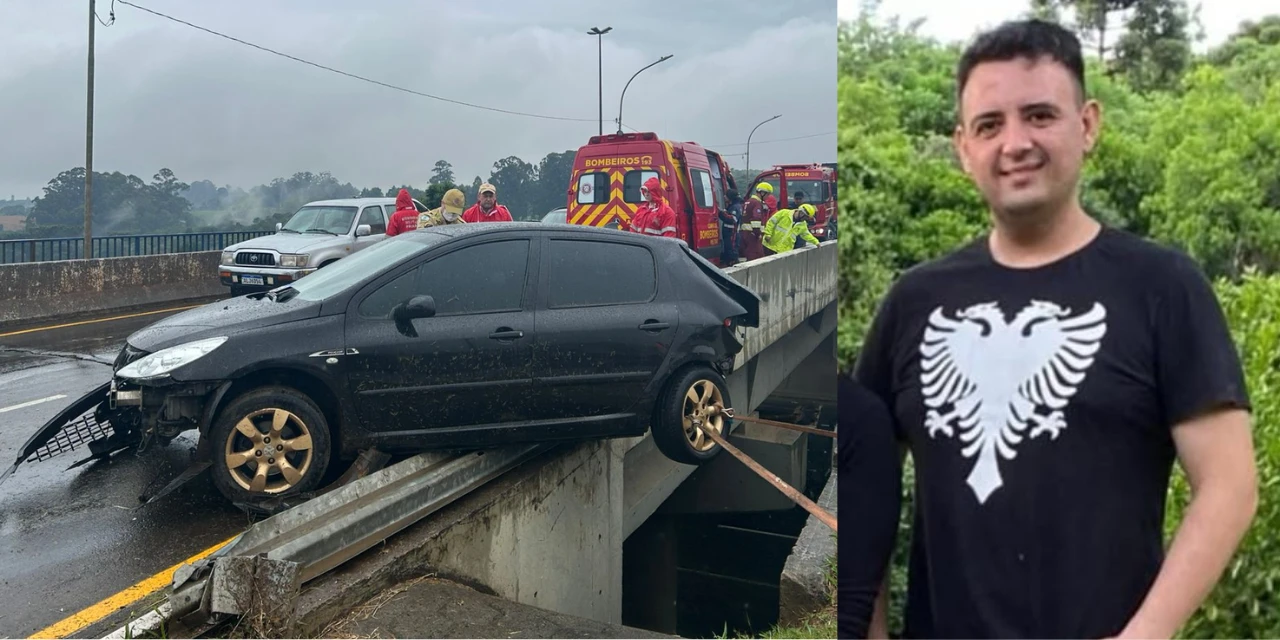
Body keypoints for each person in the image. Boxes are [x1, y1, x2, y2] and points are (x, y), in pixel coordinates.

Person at [856, 19, 1257, 640]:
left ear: (1088, 124)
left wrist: (1146, 634)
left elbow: (1228, 485)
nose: (1015, 142)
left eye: (1039, 115)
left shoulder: (1162, 287)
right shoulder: (916, 301)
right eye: (990, 125)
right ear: (963, 148)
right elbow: (859, 479)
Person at [738, 183, 773, 261]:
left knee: (749, 255)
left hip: (744, 233)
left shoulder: (748, 201)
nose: (768, 197)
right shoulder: (757, 203)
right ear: (762, 193)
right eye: (768, 194)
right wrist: (758, 234)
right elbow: (756, 219)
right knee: (756, 257)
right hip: (753, 235)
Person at [719, 188, 743, 265]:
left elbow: (732, 219)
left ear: (730, 197)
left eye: (726, 195)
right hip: (729, 234)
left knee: (732, 253)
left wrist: (720, 213)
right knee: (728, 251)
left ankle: (733, 264)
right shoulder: (732, 206)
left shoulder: (736, 207)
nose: (724, 197)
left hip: (732, 235)